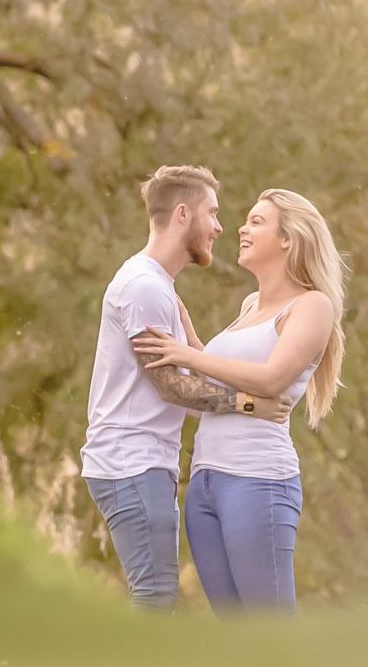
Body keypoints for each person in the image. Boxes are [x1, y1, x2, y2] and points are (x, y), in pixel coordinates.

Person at [79, 166, 293, 610]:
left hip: (139, 462)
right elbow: (173, 388)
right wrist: (250, 404)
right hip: (130, 462)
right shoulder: (144, 287)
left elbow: (183, 383)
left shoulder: (156, 286)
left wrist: (195, 346)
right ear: (182, 214)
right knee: (154, 597)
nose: (219, 227)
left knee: (156, 594)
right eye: (211, 213)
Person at [132, 189, 348, 613]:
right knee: (235, 632)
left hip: (258, 481)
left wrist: (189, 353)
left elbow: (271, 379)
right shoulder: (250, 304)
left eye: (256, 222)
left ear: (288, 238)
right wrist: (190, 339)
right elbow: (216, 380)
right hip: (205, 483)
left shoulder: (312, 306)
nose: (241, 230)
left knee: (268, 630)